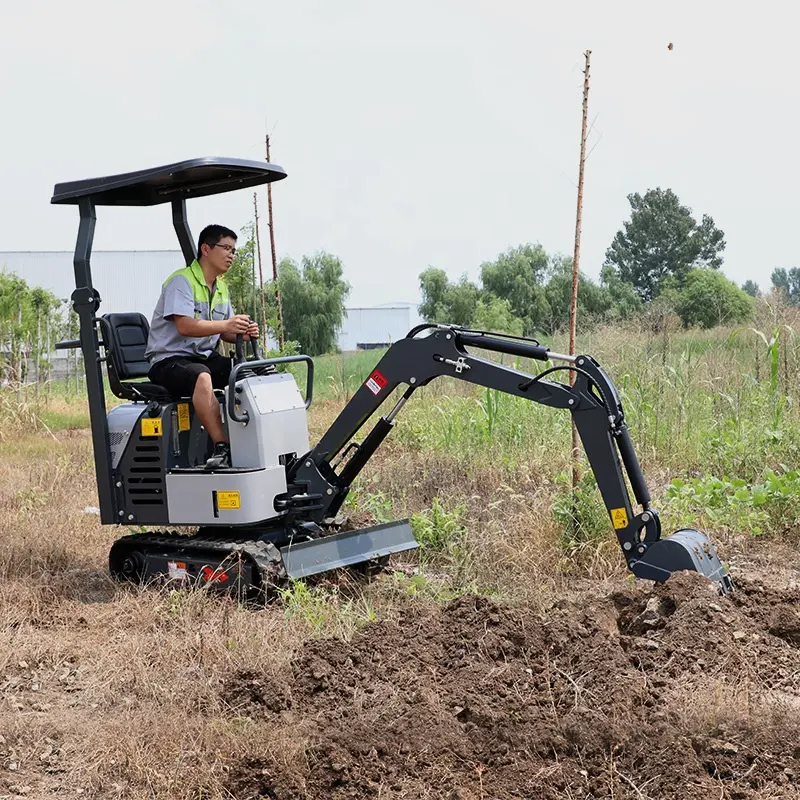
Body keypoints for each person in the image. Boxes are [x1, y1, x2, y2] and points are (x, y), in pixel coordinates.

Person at [144, 224, 258, 469]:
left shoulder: (221, 288)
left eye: (234, 250)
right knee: (202, 378)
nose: (231, 255)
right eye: (226, 248)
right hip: (168, 361)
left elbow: (225, 331)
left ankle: (258, 441)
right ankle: (223, 448)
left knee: (250, 373)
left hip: (200, 358)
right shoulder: (181, 282)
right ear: (206, 249)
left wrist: (243, 332)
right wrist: (227, 323)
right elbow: (186, 326)